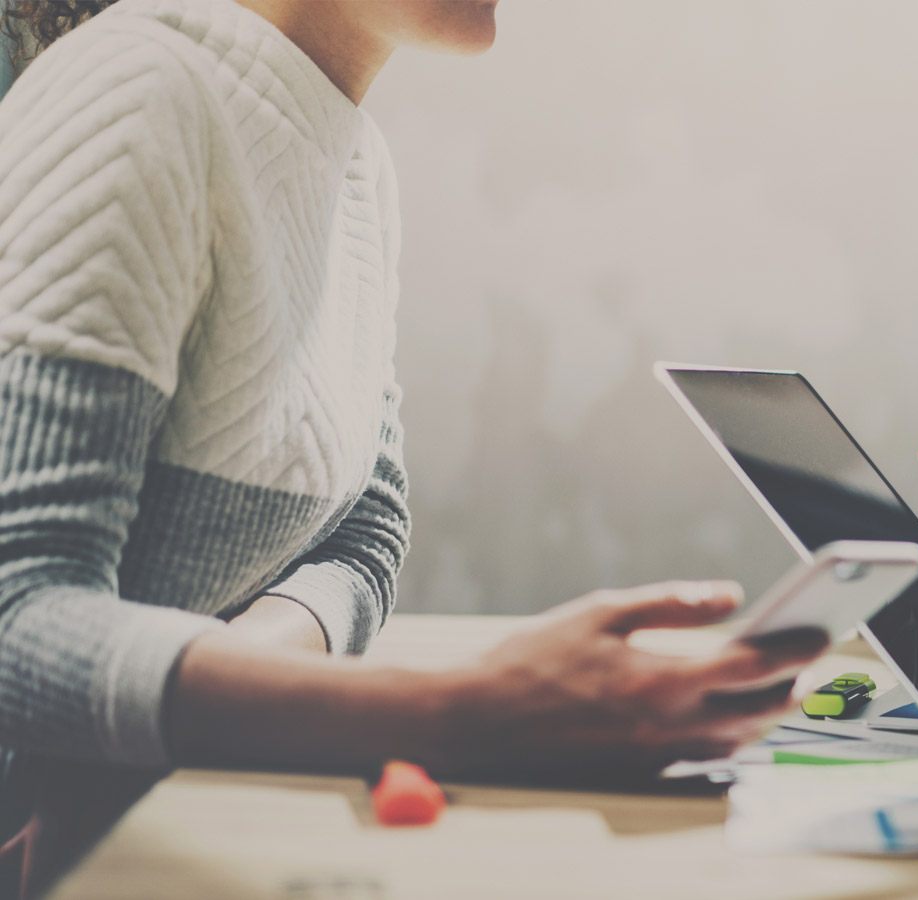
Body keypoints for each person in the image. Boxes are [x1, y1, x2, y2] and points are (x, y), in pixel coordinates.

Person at [0, 0, 828, 857]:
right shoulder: (136, 92)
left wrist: (224, 703)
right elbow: (15, 617)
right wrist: (459, 716)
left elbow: (366, 535)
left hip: (155, 829)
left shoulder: (355, 161)